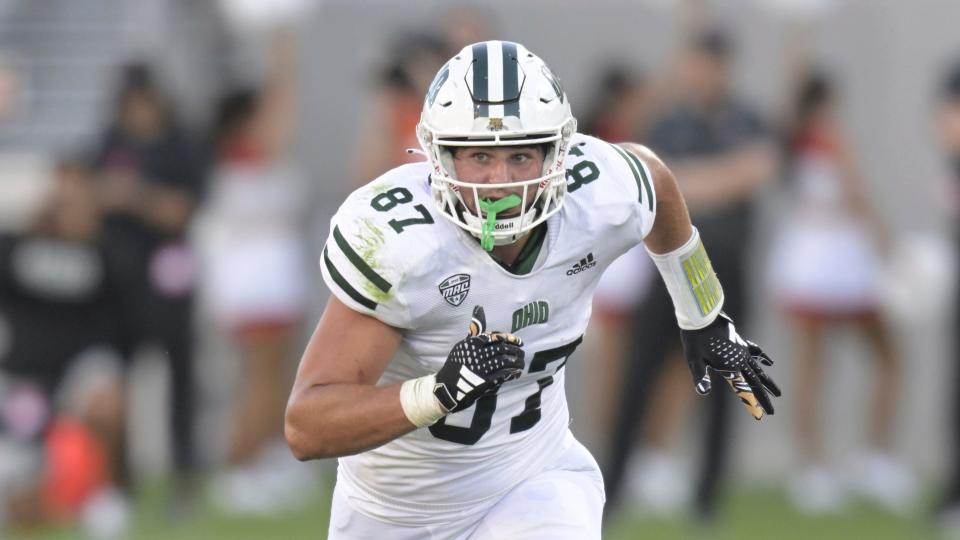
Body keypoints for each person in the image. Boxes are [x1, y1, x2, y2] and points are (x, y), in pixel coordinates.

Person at [285, 40, 780, 538]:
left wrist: (703, 315)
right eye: (479, 156)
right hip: (394, 512)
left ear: (557, 154)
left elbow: (653, 178)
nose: (500, 181)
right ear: (440, 157)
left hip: (533, 478)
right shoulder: (405, 246)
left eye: (521, 156)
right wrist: (436, 393)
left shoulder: (594, 195)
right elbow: (307, 425)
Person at [602, 27, 779, 522]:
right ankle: (612, 487)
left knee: (731, 380)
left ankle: (706, 499)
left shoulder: (748, 119)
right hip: (670, 266)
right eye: (694, 62)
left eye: (711, 63)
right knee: (638, 377)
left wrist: (691, 182)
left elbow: (758, 170)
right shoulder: (666, 121)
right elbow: (654, 185)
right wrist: (720, 178)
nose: (701, 73)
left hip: (726, 270)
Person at [89, 63, 203, 497]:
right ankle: (120, 482)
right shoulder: (107, 143)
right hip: (117, 284)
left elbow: (182, 209)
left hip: (169, 284)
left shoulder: (178, 147)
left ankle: (184, 476)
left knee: (180, 381)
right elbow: (87, 199)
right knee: (117, 381)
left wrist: (134, 196)